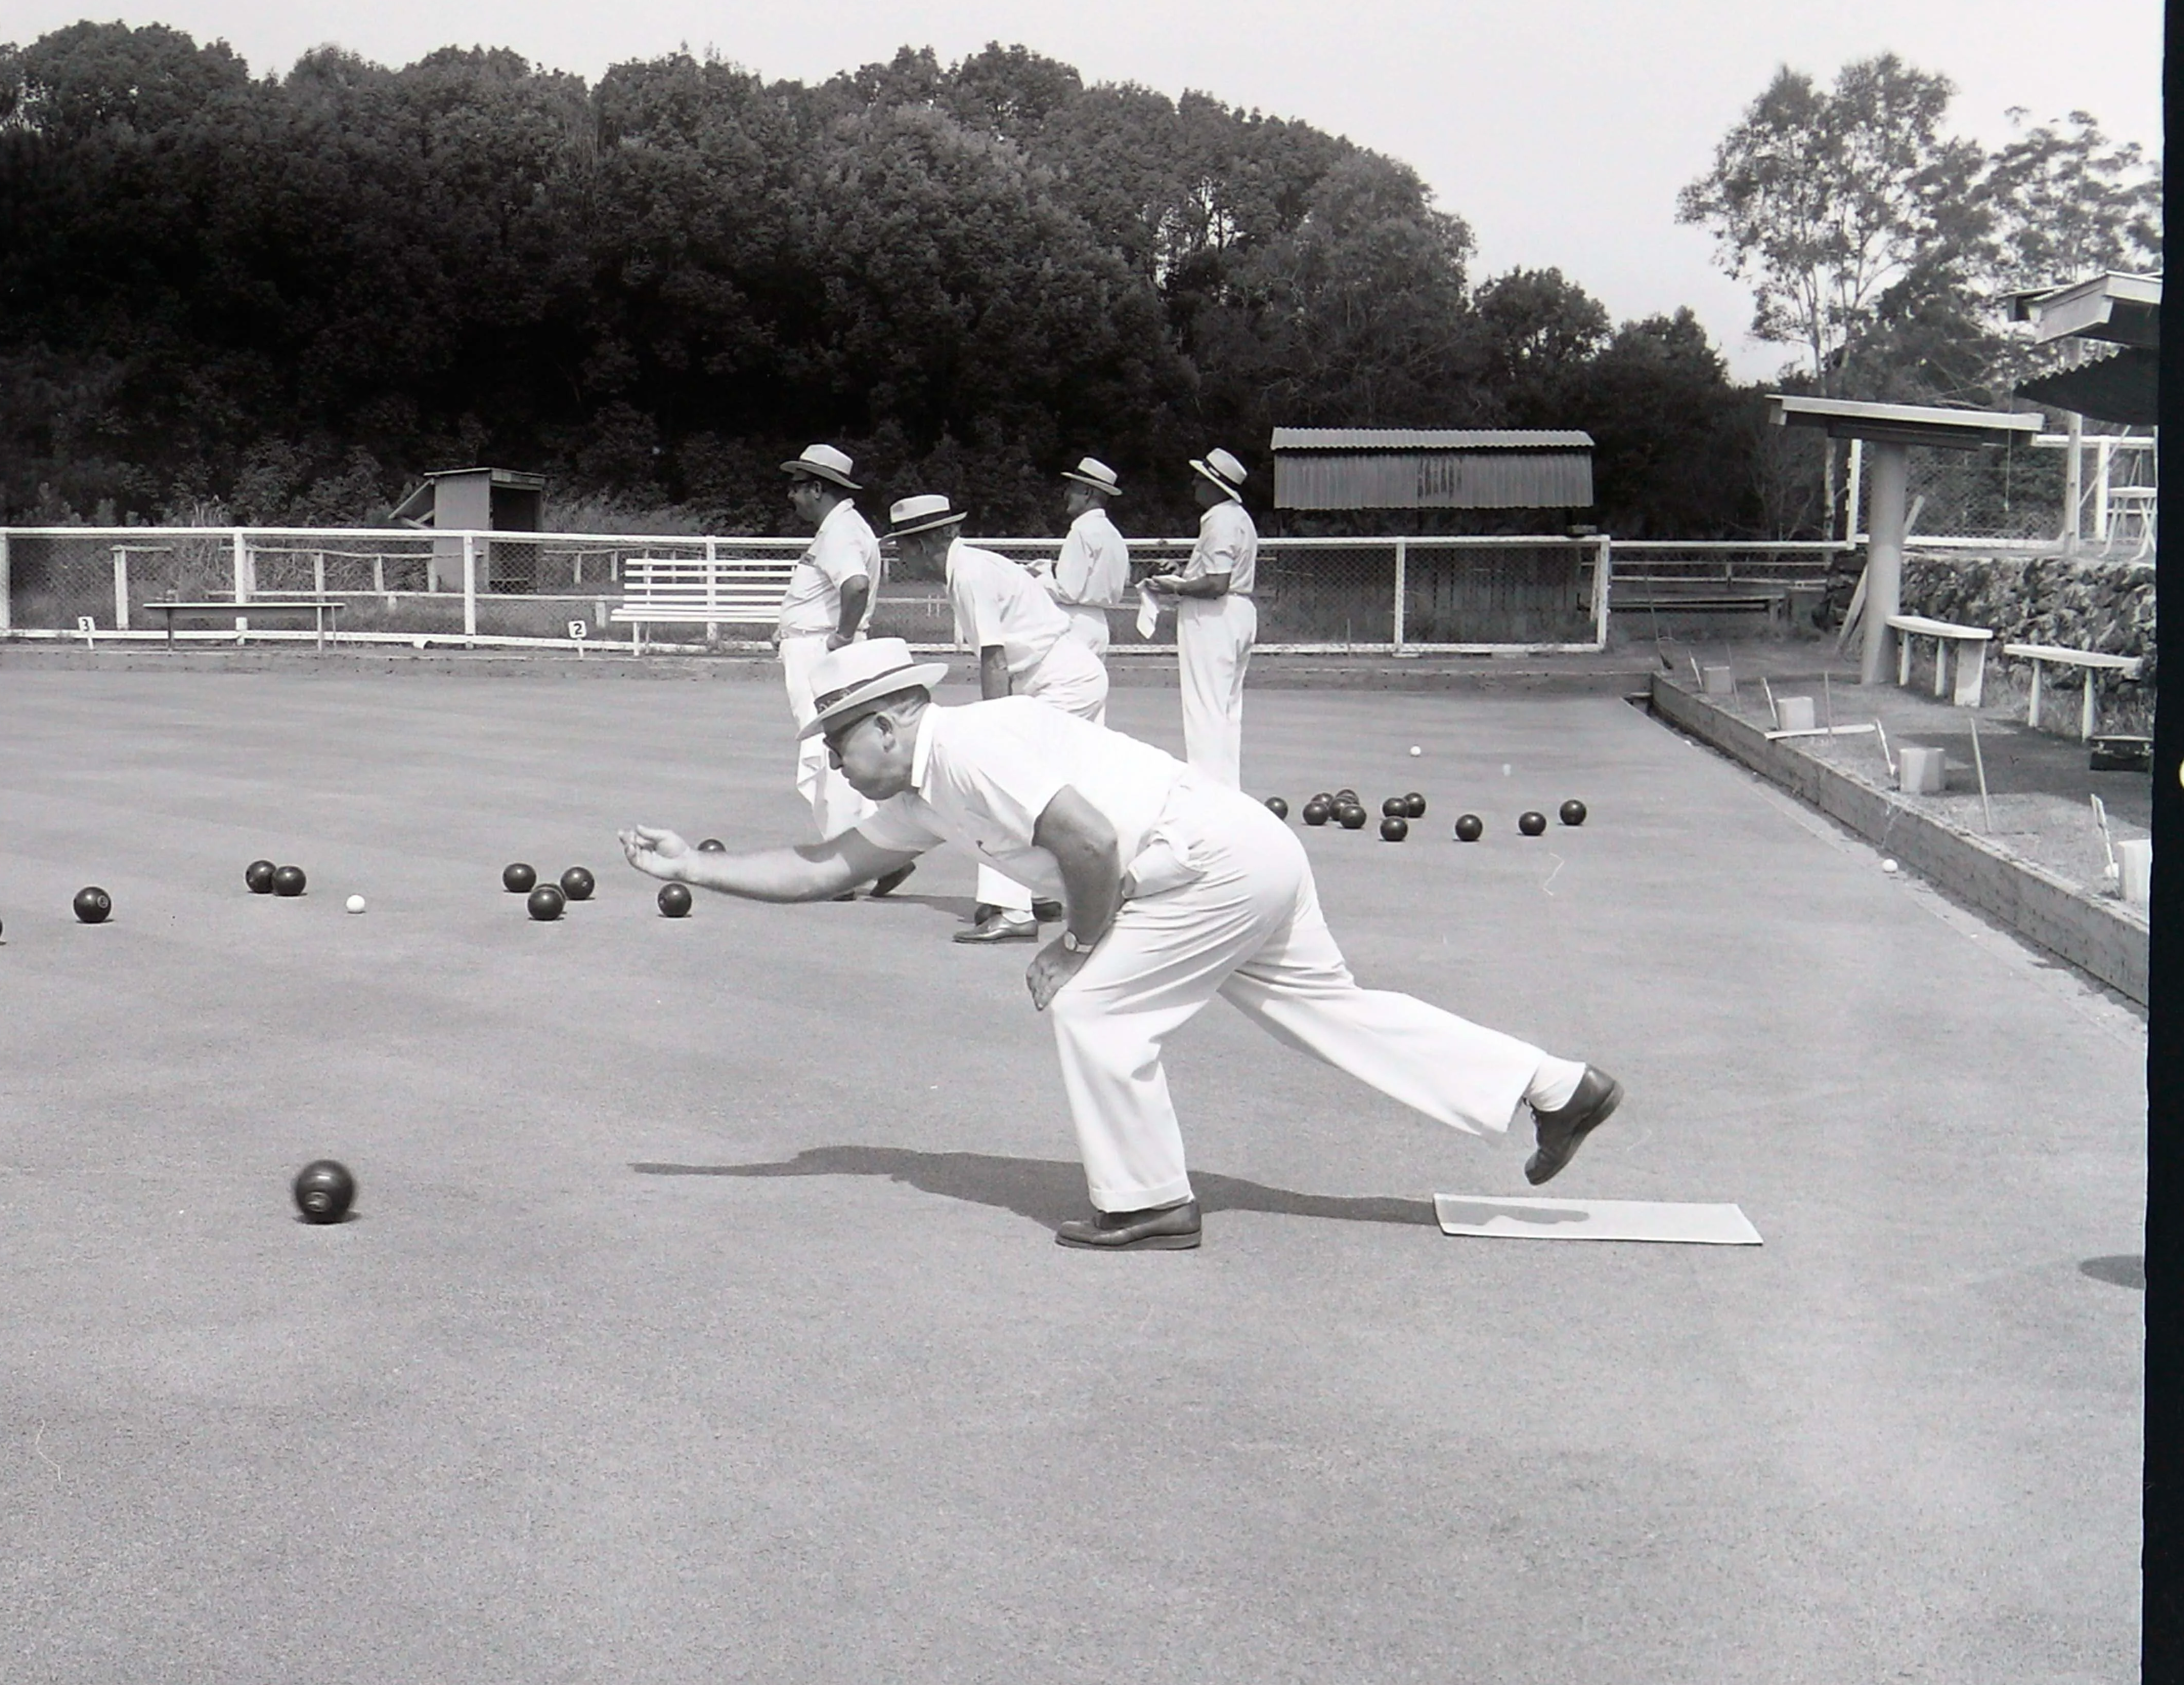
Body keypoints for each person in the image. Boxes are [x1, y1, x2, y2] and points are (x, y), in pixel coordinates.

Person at [617, 638, 1622, 1251]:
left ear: (884, 724)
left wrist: (1075, 948)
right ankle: (1556, 1086)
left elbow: (1088, 841)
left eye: (837, 742)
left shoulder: (965, 748)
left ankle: (1148, 1203)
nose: (832, 760)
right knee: (1333, 1011)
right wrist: (694, 867)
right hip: (1242, 852)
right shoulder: (930, 787)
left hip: (1206, 861)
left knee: (1095, 1007)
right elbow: (823, 866)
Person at [880, 492, 1109, 943]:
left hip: (1058, 681)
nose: (903, 557)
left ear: (925, 544)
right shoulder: (973, 566)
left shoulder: (968, 575)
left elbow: (995, 658)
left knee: (1003, 785)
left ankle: (1012, 908)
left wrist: (993, 728)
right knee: (1056, 791)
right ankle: (1044, 892)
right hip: (1067, 673)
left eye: (904, 547)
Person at [771, 442, 902, 892]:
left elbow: (856, 585)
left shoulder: (841, 531)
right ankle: (881, 859)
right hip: (815, 647)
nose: (791, 497)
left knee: (830, 757)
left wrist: (840, 638)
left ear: (818, 488)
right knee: (840, 754)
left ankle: (844, 869)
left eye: (797, 488)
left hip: (824, 656)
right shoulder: (839, 527)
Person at [1143, 446, 1258, 789]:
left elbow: (1217, 583)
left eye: (1201, 478)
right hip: (1238, 614)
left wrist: (1175, 587)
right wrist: (1184, 571)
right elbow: (1216, 572)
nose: (1194, 482)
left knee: (1204, 709)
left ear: (1216, 486)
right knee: (1225, 711)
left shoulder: (1219, 519)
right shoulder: (1240, 518)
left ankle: (1207, 794)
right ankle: (1226, 792)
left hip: (1213, 618)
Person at [1047, 457, 1132, 659]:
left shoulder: (1081, 531)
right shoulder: (1113, 534)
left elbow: (1068, 591)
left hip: (1075, 624)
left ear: (1087, 493)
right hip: (1099, 625)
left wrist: (1038, 577)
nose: (1067, 495)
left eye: (1072, 489)